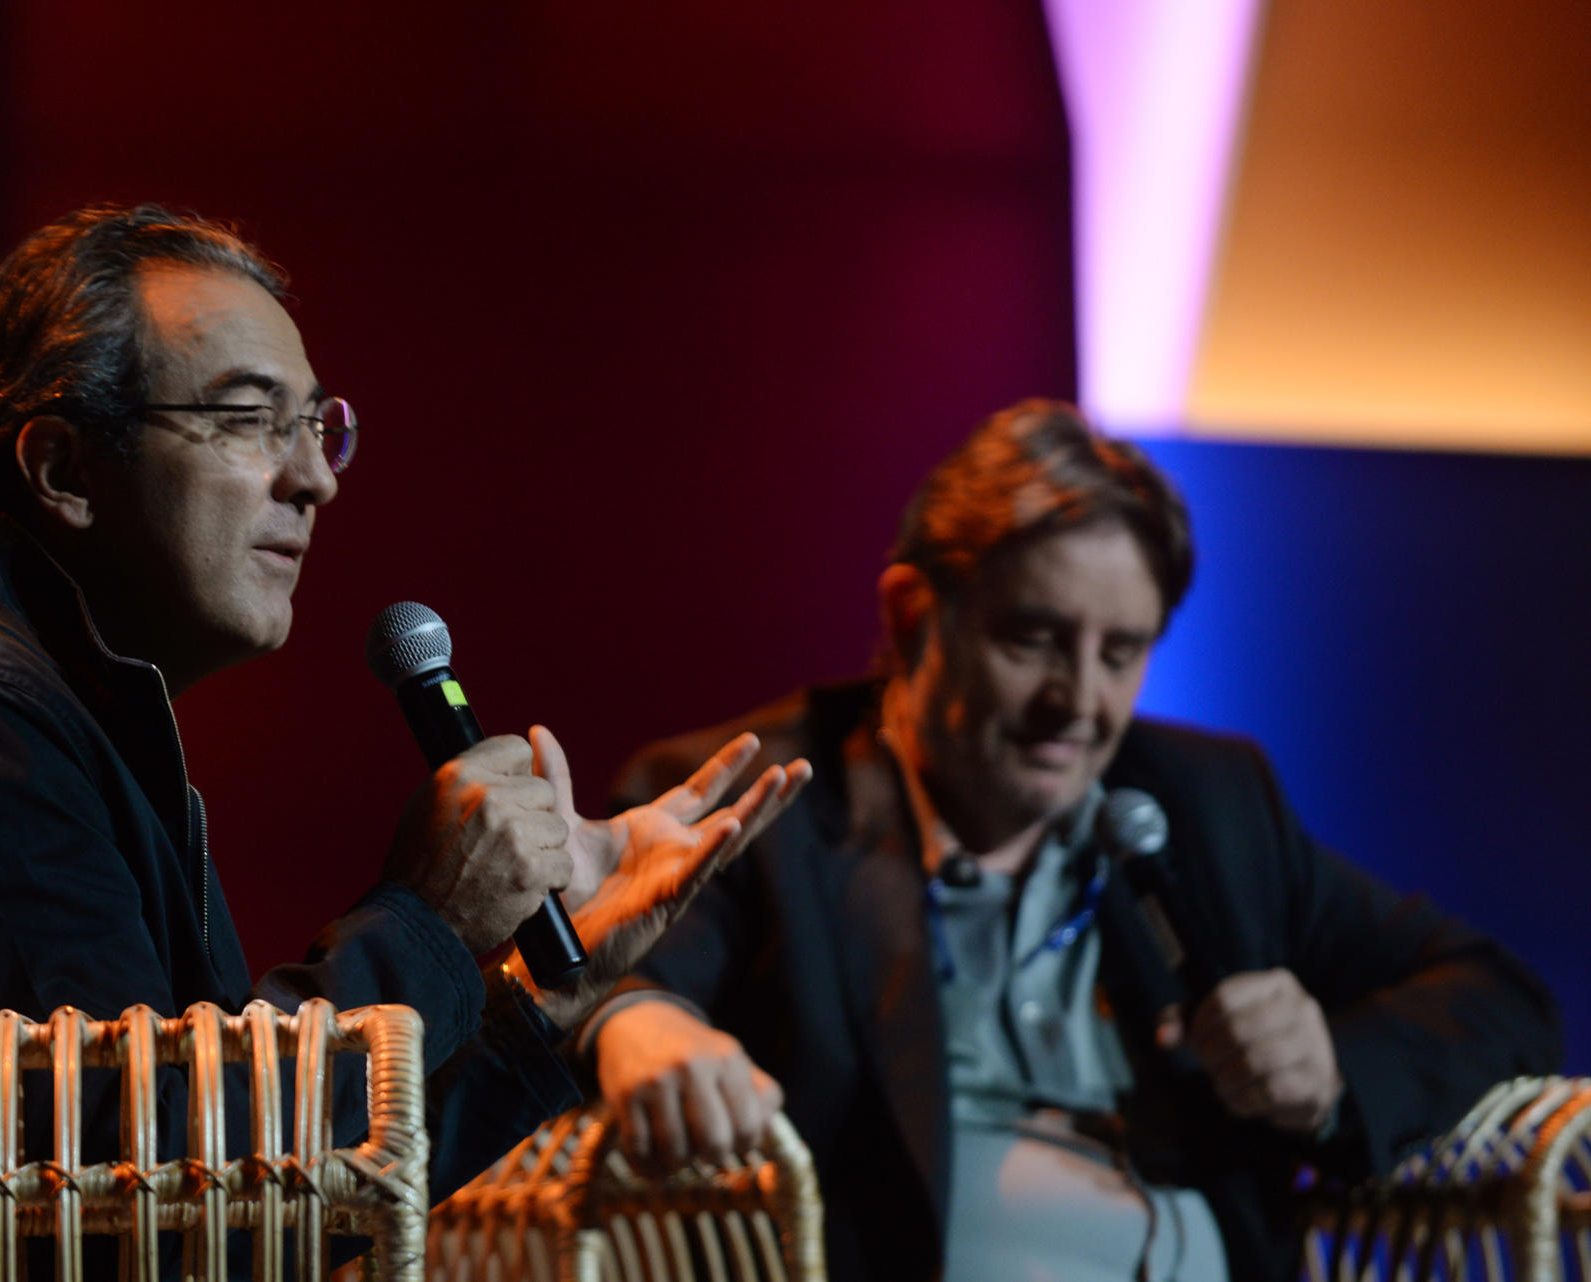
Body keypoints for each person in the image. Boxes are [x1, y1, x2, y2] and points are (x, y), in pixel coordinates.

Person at [0, 204, 808, 1226]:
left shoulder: (77, 712)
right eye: (249, 419)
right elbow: (144, 1196)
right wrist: (424, 916)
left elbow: (279, 1197)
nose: (314, 478)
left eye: (320, 426)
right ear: (66, 466)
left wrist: (550, 992)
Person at [586, 400, 1561, 1282]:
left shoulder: (1212, 802)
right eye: (1036, 640)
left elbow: (1495, 993)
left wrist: (1330, 1069)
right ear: (915, 617)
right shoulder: (761, 799)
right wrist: (631, 1018)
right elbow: (581, 969)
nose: (1079, 704)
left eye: (1120, 653)